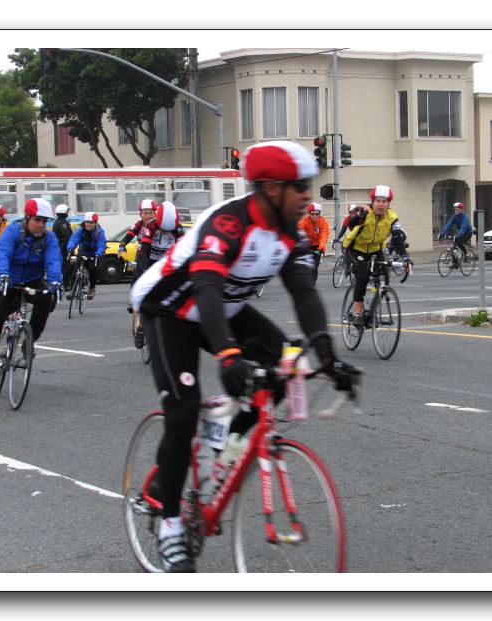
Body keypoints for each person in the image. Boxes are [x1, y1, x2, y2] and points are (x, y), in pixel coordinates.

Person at [131, 140, 359, 572]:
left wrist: (328, 357)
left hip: (225, 309)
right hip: (171, 308)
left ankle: (226, 448)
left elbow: (304, 293)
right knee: (182, 414)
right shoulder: (229, 223)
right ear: (272, 188)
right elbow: (206, 288)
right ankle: (170, 524)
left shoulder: (288, 232)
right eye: (300, 186)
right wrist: (229, 355)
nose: (308, 195)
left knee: (286, 367)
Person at [0, 198, 63, 380]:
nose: (41, 225)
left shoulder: (49, 238)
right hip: (5, 278)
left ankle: (29, 342)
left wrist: (56, 281)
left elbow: (53, 260)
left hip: (32, 280)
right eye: (37, 220)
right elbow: (2, 252)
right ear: (27, 218)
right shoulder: (13, 231)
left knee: (47, 299)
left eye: (45, 221)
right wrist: (2, 273)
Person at [342, 185, 405, 326]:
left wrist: (406, 257)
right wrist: (359, 215)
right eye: (378, 201)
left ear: (388, 204)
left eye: (384, 201)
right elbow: (351, 224)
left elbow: (397, 239)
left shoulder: (392, 218)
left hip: (375, 250)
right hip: (355, 248)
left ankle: (371, 311)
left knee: (384, 277)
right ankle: (357, 313)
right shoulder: (366, 213)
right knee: (362, 276)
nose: (381, 204)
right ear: (373, 202)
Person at [132, 201, 185, 349]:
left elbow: (183, 253)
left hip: (165, 261)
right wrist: (144, 272)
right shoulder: (150, 226)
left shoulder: (179, 230)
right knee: (145, 291)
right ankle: (141, 327)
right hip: (149, 258)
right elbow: (145, 250)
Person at [122, 199, 158, 313]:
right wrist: (122, 245)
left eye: (151, 213)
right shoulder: (139, 224)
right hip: (142, 254)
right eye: (145, 213)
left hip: (157, 255)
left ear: (155, 213)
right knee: (137, 276)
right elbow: (129, 234)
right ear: (140, 214)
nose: (148, 216)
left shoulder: (158, 224)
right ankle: (133, 300)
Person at [66, 211, 107, 300]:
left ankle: (91, 289)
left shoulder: (99, 232)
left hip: (95, 254)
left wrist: (98, 254)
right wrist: (70, 248)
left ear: (95, 223)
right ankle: (72, 290)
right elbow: (74, 240)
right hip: (83, 253)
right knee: (75, 270)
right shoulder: (80, 230)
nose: (88, 224)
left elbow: (101, 244)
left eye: (91, 223)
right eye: (87, 222)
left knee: (93, 270)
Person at [297, 202, 330, 283]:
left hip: (317, 246)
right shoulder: (304, 221)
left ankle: (312, 283)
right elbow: (299, 232)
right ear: (309, 214)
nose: (314, 216)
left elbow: (324, 235)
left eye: (317, 214)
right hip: (306, 244)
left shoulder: (323, 222)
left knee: (314, 267)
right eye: (312, 214)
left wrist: (321, 247)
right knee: (303, 264)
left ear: (319, 214)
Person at [438, 202, 473, 269]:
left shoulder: (465, 217)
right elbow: (448, 225)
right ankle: (455, 264)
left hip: (467, 233)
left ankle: (466, 254)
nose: (456, 211)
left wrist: (459, 234)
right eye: (455, 209)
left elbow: (463, 227)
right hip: (460, 233)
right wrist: (443, 233)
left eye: (457, 209)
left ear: (461, 210)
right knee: (453, 247)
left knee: (459, 243)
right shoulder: (454, 217)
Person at [52, 204, 74, 288]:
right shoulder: (62, 223)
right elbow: (66, 236)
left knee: (66, 266)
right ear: (63, 212)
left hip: (63, 247)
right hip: (63, 248)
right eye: (67, 211)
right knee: (66, 266)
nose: (68, 213)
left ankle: (67, 283)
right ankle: (66, 285)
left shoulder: (61, 222)